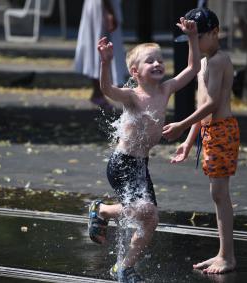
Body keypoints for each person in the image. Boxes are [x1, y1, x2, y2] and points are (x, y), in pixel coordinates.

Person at [87, 17, 200, 282]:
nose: (158, 63)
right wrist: (105, 62)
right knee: (145, 211)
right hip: (122, 163)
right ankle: (101, 210)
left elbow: (193, 67)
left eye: (160, 59)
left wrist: (192, 37)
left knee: (150, 220)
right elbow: (106, 89)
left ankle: (124, 267)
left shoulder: (166, 89)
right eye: (150, 61)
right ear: (136, 72)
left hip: (140, 165)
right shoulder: (133, 96)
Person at [162, 7, 240, 274]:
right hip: (210, 132)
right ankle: (223, 253)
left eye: (197, 39)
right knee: (217, 194)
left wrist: (182, 125)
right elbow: (201, 106)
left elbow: (212, 104)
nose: (193, 46)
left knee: (220, 194)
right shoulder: (204, 63)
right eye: (189, 41)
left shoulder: (219, 60)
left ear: (215, 32)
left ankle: (227, 256)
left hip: (222, 131)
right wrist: (188, 140)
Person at [74, 0, 127, 109]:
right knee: (101, 47)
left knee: (100, 47)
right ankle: (99, 92)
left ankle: (99, 92)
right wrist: (109, 11)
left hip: (101, 6)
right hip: (102, 7)